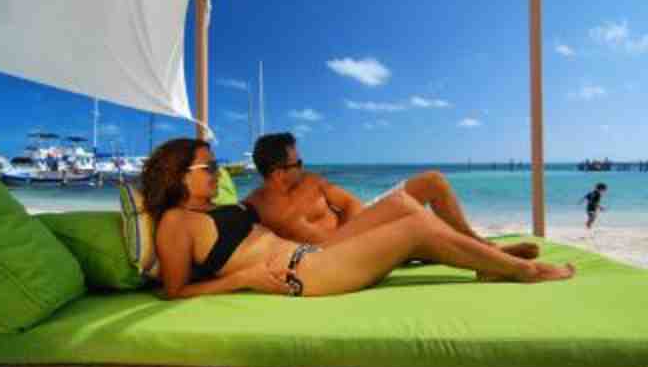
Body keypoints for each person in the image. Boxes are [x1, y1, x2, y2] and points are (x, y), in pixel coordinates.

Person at [141, 138, 575, 300]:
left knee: (406, 205)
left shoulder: (216, 207)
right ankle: (522, 271)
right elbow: (174, 291)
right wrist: (244, 279)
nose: (217, 172)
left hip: (310, 255)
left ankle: (485, 259)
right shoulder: (177, 222)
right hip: (301, 274)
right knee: (416, 227)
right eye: (209, 167)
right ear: (180, 175)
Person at [244, 132, 539, 260]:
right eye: (297, 162)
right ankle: (487, 258)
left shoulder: (310, 181)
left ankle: (483, 246)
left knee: (433, 181)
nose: (303, 165)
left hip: (363, 224)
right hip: (339, 253)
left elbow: (349, 203)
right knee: (417, 226)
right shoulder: (257, 207)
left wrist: (367, 223)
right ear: (278, 173)